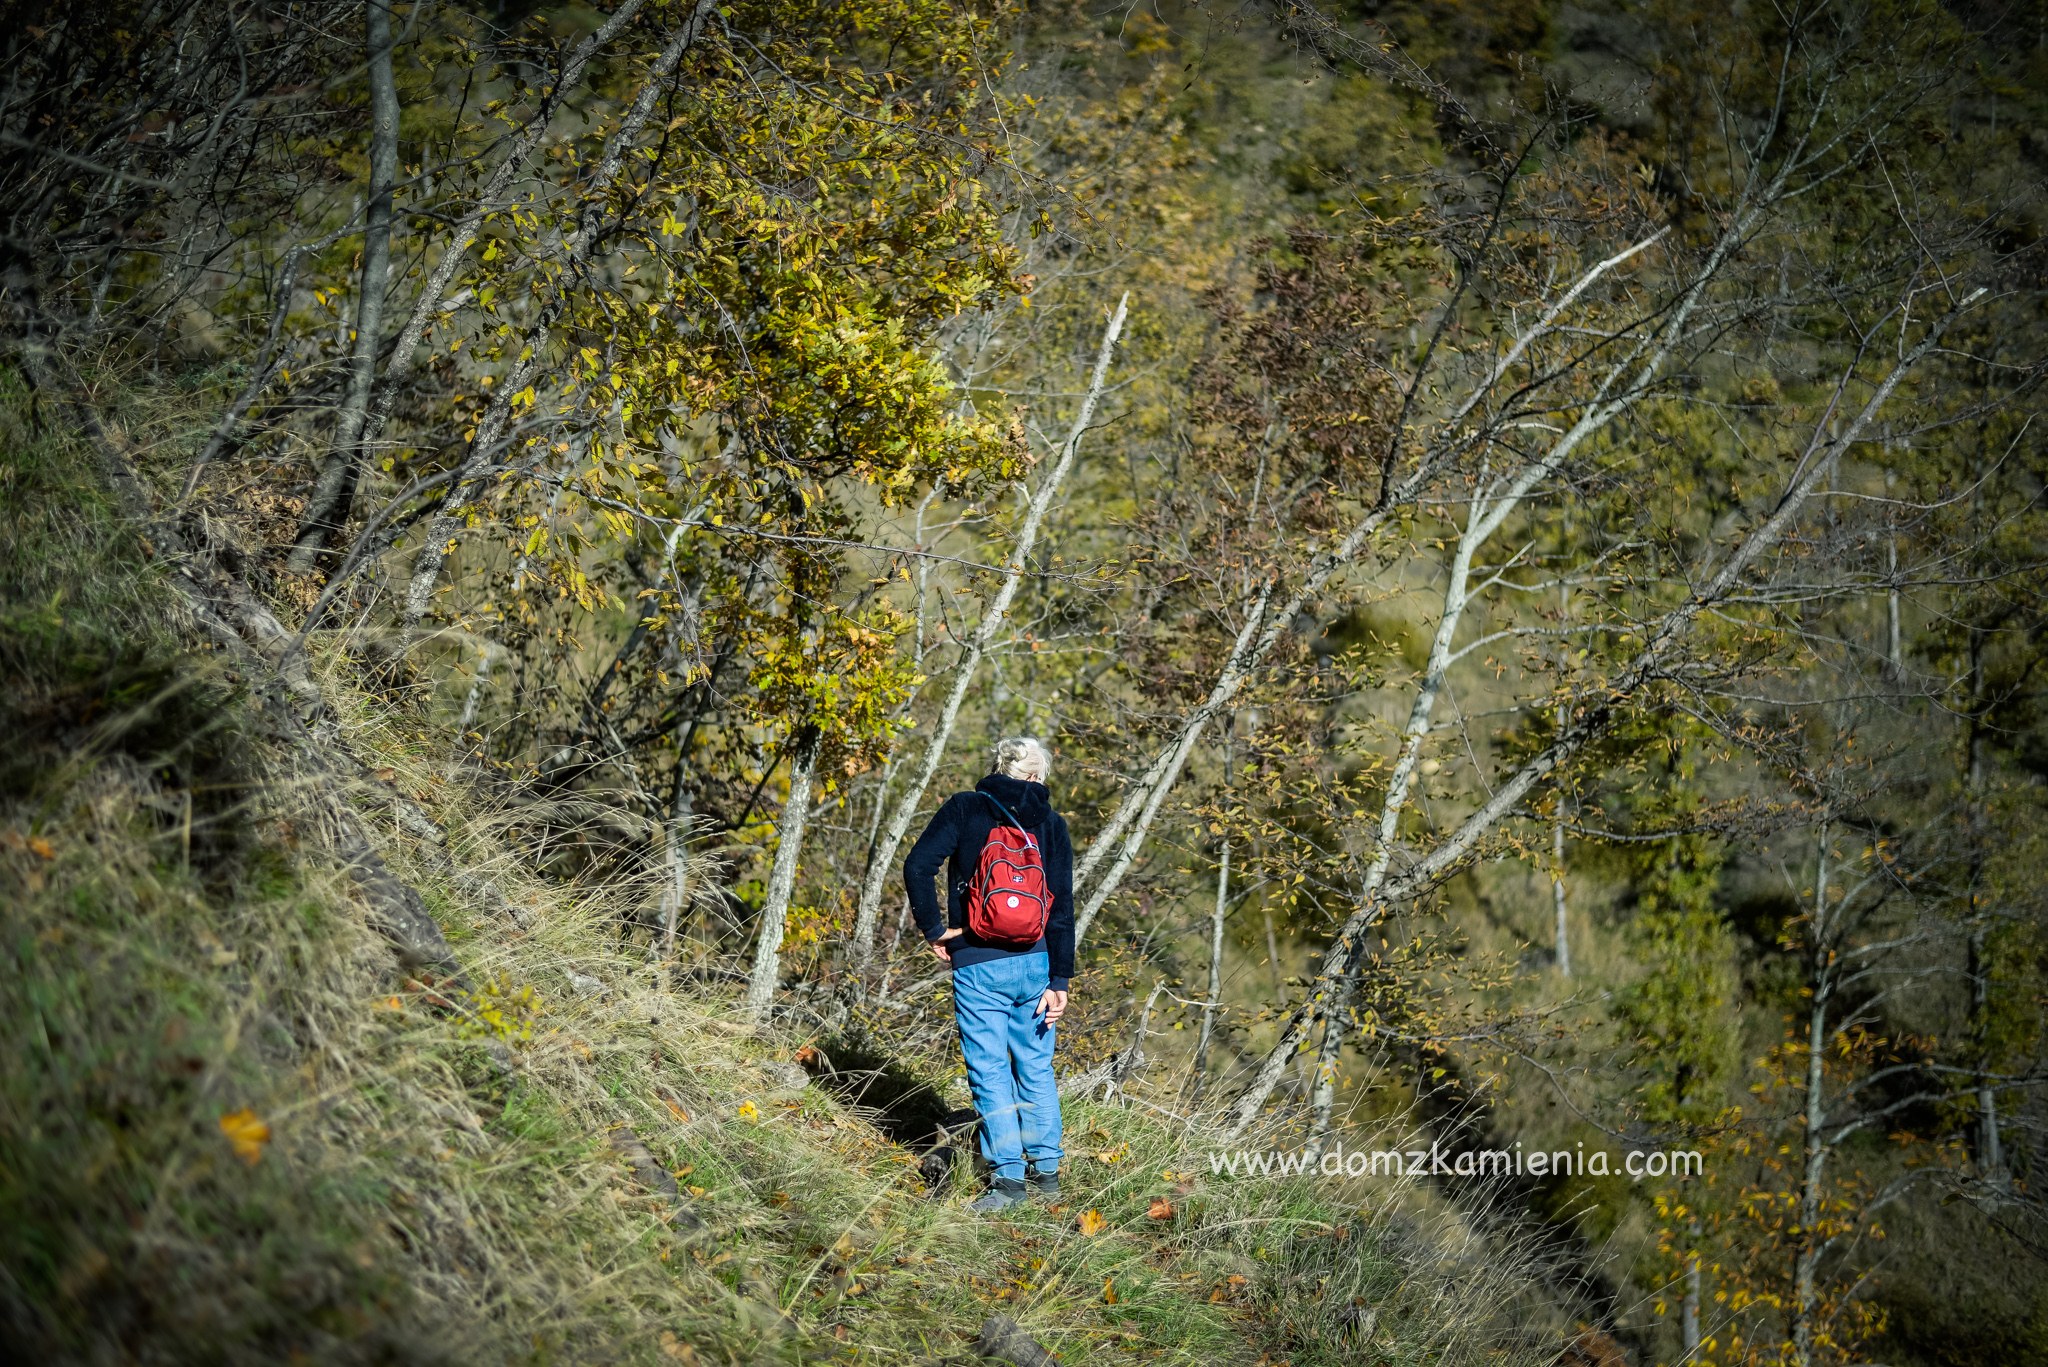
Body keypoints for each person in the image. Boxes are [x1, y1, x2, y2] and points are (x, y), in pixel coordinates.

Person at [903, 736, 1075, 1214]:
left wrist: (936, 929)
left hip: (978, 961)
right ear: (1038, 777)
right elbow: (1061, 907)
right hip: (1036, 961)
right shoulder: (1052, 825)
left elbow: (918, 866)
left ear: (999, 767)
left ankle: (1008, 1185)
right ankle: (1046, 1174)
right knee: (1035, 1067)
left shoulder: (966, 808)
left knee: (990, 1069)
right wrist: (1060, 979)